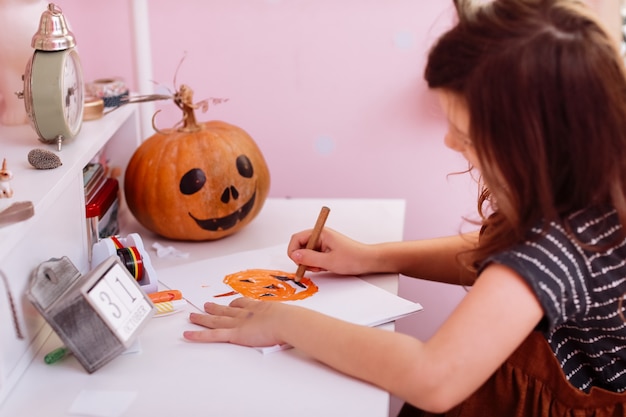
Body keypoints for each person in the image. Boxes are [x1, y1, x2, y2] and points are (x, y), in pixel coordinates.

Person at [182, 0, 626, 414]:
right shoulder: (595, 182)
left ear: (534, 146)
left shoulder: (554, 248)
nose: (450, 142)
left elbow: (433, 377)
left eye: (466, 136)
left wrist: (284, 321)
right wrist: (373, 256)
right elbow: (496, 259)